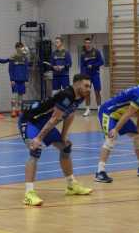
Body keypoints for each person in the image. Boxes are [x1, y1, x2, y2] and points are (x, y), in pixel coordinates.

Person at [18, 74, 93, 206]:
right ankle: (29, 194)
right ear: (76, 84)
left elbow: (70, 114)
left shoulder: (79, 96)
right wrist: (38, 138)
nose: (88, 89)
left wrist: (64, 136)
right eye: (86, 86)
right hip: (30, 121)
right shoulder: (67, 95)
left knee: (65, 148)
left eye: (90, 86)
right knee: (36, 149)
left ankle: (71, 185)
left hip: (45, 122)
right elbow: (54, 119)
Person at [95, 74, 139, 183]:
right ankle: (100, 172)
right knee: (111, 138)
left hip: (120, 115)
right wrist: (116, 129)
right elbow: (129, 113)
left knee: (137, 136)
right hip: (108, 112)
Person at [80, 37, 104, 117]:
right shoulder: (83, 54)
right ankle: (87, 109)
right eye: (86, 43)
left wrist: (93, 65)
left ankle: (99, 109)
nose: (87, 44)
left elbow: (101, 62)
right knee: (87, 93)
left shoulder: (96, 52)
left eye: (89, 43)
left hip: (95, 75)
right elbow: (82, 65)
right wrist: (82, 76)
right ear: (85, 44)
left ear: (91, 43)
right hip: (87, 76)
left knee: (97, 92)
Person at [9, 42, 29, 118]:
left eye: (22, 47)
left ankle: (19, 110)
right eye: (19, 47)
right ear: (16, 48)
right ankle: (13, 110)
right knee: (14, 96)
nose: (20, 49)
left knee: (21, 97)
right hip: (15, 80)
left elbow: (26, 70)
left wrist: (26, 80)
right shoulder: (12, 58)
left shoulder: (25, 58)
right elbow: (10, 70)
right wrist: (11, 79)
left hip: (23, 80)